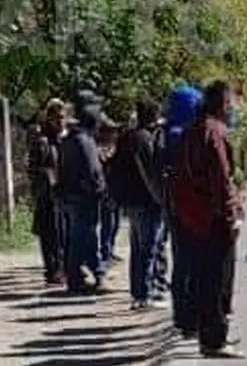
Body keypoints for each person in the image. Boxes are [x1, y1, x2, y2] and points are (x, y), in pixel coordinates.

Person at [174, 81, 245, 359]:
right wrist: (232, 216)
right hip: (214, 218)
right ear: (222, 105)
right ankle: (214, 340)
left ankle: (210, 334)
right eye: (231, 103)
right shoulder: (214, 132)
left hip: (196, 217)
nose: (234, 108)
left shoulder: (193, 129)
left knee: (205, 278)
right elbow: (221, 179)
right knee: (218, 280)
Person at [115, 99, 169, 310]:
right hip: (146, 202)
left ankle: (137, 293)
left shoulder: (127, 136)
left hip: (130, 201)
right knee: (149, 249)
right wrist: (161, 199)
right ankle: (145, 294)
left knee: (137, 249)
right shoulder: (144, 139)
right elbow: (150, 175)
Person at [58, 89, 109, 295]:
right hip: (84, 196)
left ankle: (79, 276)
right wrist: (101, 189)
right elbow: (92, 170)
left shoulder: (69, 138)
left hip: (72, 195)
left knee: (78, 237)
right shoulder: (83, 140)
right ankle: (89, 275)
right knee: (85, 237)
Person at [164, 83, 204, 337]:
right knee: (191, 264)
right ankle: (189, 318)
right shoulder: (186, 136)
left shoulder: (167, 133)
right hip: (188, 207)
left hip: (173, 206)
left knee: (180, 263)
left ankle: (180, 315)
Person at [27, 99, 67, 284]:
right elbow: (33, 169)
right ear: (49, 118)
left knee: (63, 233)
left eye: (62, 117)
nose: (60, 122)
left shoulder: (62, 140)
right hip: (47, 195)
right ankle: (53, 269)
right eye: (57, 118)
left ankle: (62, 267)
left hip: (62, 195)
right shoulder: (42, 141)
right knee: (50, 234)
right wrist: (49, 178)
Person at [96, 116, 122, 271]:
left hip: (116, 190)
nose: (115, 134)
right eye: (111, 131)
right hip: (105, 191)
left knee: (116, 223)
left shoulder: (115, 147)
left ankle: (110, 250)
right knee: (108, 223)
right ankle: (105, 252)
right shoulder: (99, 148)